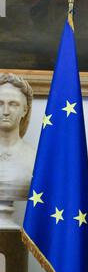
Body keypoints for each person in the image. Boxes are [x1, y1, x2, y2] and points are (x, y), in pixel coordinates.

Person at [0, 73, 35, 202]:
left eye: (13, 104)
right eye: (0, 103)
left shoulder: (34, 158)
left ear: (25, 110)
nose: (5, 111)